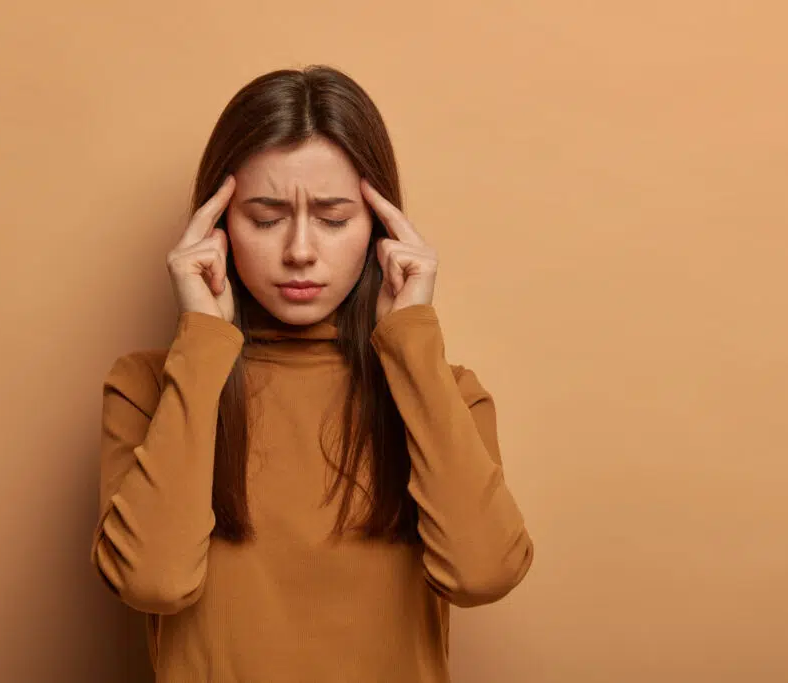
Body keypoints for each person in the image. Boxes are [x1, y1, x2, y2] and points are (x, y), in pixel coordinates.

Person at [90, 64, 534, 682]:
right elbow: (153, 581)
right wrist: (202, 345)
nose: (300, 250)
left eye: (333, 218)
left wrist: (411, 341)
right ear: (214, 231)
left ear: (381, 230)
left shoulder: (444, 392)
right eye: (266, 218)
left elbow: (484, 573)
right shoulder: (148, 389)